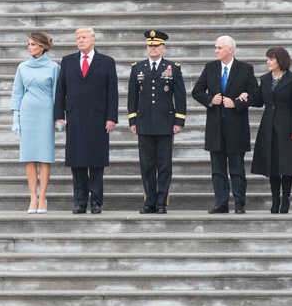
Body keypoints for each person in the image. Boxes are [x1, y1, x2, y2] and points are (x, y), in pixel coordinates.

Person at [54, 27, 119, 214]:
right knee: (77, 162)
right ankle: (80, 201)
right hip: (74, 119)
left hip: (98, 119)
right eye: (77, 38)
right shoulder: (68, 61)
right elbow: (61, 90)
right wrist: (59, 115)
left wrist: (111, 117)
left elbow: (112, 92)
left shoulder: (106, 62)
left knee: (96, 163)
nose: (80, 41)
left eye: (83, 37)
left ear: (93, 40)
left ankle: (96, 201)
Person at [191, 35, 259, 214]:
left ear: (230, 49)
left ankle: (239, 203)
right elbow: (196, 91)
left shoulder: (245, 69)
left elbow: (257, 96)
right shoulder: (210, 67)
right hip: (215, 128)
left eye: (219, 48)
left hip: (236, 128)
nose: (216, 50)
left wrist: (237, 103)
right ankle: (221, 203)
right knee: (218, 169)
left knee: (237, 168)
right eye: (215, 47)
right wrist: (210, 99)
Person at [127, 30, 186, 214]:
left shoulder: (173, 68)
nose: (152, 48)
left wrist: (179, 121)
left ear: (163, 47)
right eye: (150, 45)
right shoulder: (137, 68)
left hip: (165, 122)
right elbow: (132, 96)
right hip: (144, 122)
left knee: (164, 165)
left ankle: (161, 202)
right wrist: (132, 120)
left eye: (156, 45)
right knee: (146, 165)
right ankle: (149, 201)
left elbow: (180, 96)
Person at [250, 47, 292, 214]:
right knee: (273, 164)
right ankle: (275, 198)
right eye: (267, 59)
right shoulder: (265, 79)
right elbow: (259, 101)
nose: (267, 62)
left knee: (286, 165)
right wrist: (245, 97)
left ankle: (286, 199)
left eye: (271, 59)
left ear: (280, 61)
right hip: (268, 126)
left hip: (286, 126)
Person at [10, 32, 59, 214]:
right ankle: (33, 197)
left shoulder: (53, 67)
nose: (29, 47)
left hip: (45, 113)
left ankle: (43, 197)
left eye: (32, 44)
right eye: (28, 44)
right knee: (29, 157)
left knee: (45, 157)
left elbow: (57, 93)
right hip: (28, 112)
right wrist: (16, 118)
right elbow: (17, 93)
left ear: (42, 47)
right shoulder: (22, 67)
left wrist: (59, 117)